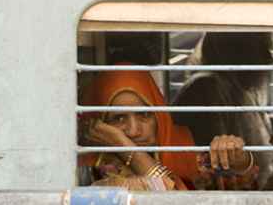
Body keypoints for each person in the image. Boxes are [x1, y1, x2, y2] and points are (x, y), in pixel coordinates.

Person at [79, 69, 258, 191]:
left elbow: (246, 185)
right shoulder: (91, 172)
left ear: (159, 117)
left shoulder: (184, 149)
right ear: (101, 125)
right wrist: (126, 148)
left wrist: (239, 158)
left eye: (144, 115)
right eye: (118, 118)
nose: (133, 131)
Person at [173, 33, 273, 187]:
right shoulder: (207, 88)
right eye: (263, 49)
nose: (271, 59)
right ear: (238, 51)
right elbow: (220, 172)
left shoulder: (242, 89)